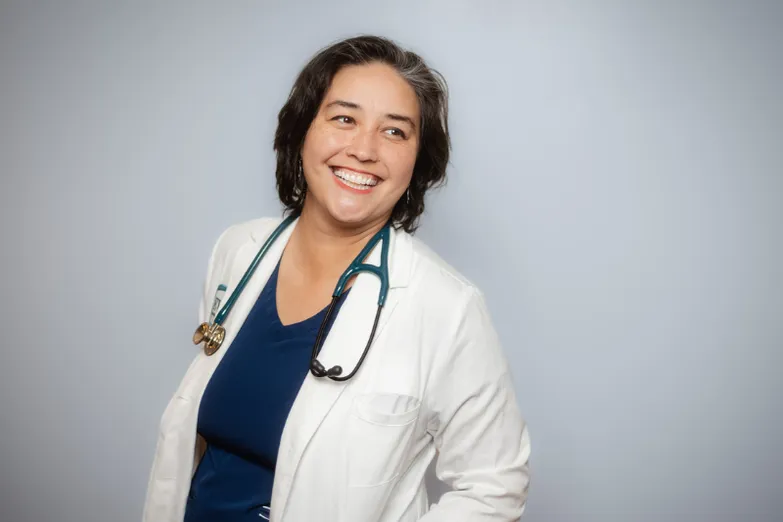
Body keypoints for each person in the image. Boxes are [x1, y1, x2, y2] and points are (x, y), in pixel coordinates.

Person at [143, 35, 531, 522]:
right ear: (302, 130)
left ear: (417, 160)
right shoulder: (238, 252)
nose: (364, 149)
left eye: (395, 131)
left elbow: (494, 486)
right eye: (344, 119)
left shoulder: (447, 308)